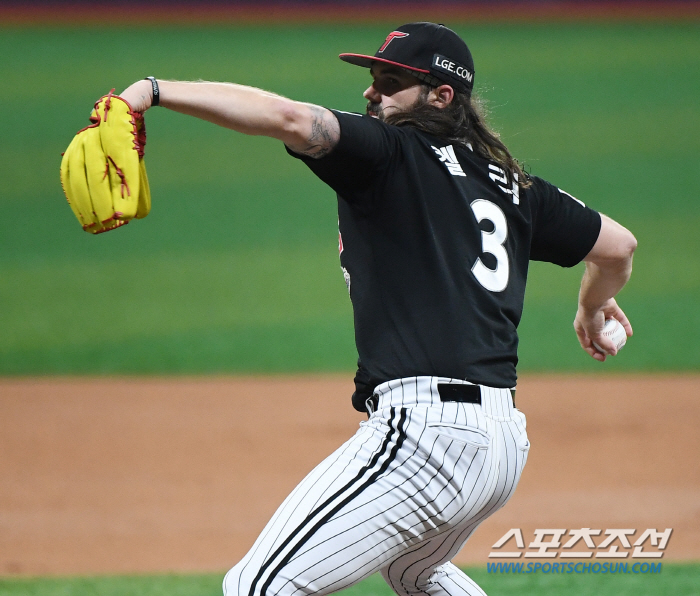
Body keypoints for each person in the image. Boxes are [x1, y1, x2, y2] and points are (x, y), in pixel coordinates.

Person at [121, 22, 636, 596]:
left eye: (392, 83)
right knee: (417, 572)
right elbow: (618, 247)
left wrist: (153, 90)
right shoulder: (515, 186)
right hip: (499, 447)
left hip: (427, 437)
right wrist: (593, 306)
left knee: (256, 586)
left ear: (441, 97)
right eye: (374, 80)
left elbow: (290, 118)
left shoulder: (390, 152)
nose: (372, 94)